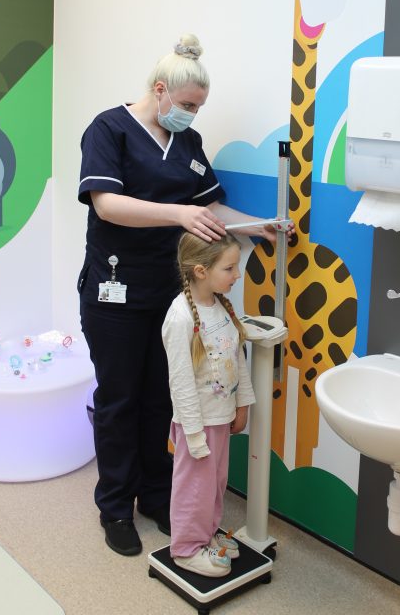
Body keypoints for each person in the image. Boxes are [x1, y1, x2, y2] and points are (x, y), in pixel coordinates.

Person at [77, 33, 289, 557]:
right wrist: (176, 214)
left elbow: (211, 210)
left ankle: (155, 494)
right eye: (188, 105)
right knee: (120, 400)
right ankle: (115, 507)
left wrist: (258, 227)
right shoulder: (109, 129)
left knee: (161, 398)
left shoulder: (188, 146)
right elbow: (106, 204)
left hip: (172, 298)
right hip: (116, 290)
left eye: (199, 108)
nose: (192, 116)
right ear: (160, 90)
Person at [162, 231, 254, 577]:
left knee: (215, 482)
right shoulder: (180, 317)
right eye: (230, 268)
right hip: (196, 423)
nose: (237, 275)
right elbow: (181, 382)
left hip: (220, 417)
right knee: (194, 487)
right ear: (201, 271)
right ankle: (185, 548)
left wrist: (242, 405)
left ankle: (206, 533)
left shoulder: (221, 307)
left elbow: (237, 359)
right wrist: (194, 434)